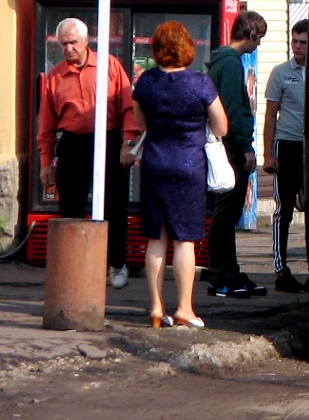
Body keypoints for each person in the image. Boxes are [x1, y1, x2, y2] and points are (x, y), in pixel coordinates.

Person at [129, 21, 228, 328]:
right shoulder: (200, 83)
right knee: (184, 240)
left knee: (156, 239)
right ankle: (184, 308)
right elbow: (221, 127)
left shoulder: (145, 82)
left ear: (156, 48)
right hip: (188, 166)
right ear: (188, 47)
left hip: (155, 164)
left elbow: (140, 121)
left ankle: (157, 309)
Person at [37, 17, 138, 290]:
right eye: (63, 44)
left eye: (73, 42)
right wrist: (46, 162)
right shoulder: (55, 76)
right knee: (70, 207)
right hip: (72, 144)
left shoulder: (110, 66)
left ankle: (116, 263)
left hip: (107, 138)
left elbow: (128, 107)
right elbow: (46, 123)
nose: (69, 48)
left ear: (86, 41)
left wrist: (128, 141)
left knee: (113, 206)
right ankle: (73, 267)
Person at [204, 10, 268, 298]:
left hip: (225, 144)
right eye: (259, 37)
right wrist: (245, 147)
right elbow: (232, 109)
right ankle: (220, 276)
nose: (258, 44)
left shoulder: (221, 60)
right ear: (251, 33)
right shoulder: (231, 64)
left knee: (226, 215)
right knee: (226, 214)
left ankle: (229, 272)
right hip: (231, 147)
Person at [263, 19, 309, 293]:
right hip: (286, 144)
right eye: (295, 42)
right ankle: (281, 270)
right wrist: (267, 154)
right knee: (284, 209)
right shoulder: (281, 72)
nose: (298, 47)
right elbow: (270, 115)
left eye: (303, 42)